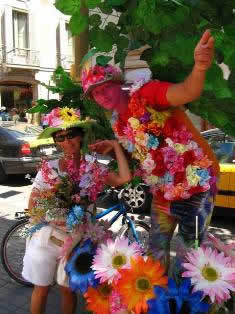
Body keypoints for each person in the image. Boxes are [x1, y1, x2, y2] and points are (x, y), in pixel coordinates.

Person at [81, 29, 220, 273]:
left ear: (119, 84)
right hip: (163, 191)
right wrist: (115, 152)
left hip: (198, 184)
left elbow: (187, 91)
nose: (100, 97)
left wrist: (199, 67)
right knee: (156, 252)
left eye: (103, 88)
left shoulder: (146, 93)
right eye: (94, 95)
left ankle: (198, 306)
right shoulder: (118, 121)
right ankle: (160, 304)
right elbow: (144, 158)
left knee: (193, 256)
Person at [22, 107, 132, 314]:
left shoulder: (93, 167)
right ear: (56, 141)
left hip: (76, 242)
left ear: (80, 136)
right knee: (41, 290)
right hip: (48, 239)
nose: (67, 141)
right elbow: (33, 206)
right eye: (60, 137)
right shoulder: (49, 168)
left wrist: (116, 147)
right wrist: (53, 212)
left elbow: (124, 178)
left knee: (68, 291)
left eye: (71, 134)